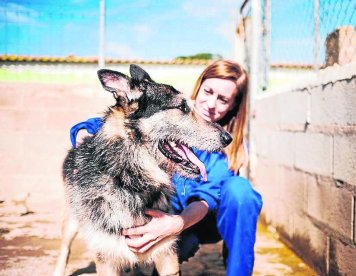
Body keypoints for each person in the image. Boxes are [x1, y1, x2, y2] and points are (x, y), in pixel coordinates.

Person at [70, 60, 263, 276]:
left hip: (196, 221)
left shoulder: (224, 146)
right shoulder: (173, 117)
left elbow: (205, 197)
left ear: (233, 106)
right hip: (162, 213)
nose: (211, 103)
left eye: (223, 99)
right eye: (208, 91)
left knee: (240, 192)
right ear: (199, 87)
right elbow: (128, 123)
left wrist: (176, 225)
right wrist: (84, 130)